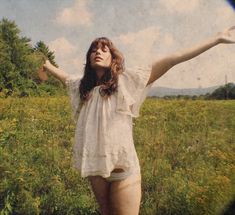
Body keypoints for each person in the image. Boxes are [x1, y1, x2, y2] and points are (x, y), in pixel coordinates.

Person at [41, 26, 235, 215]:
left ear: (113, 58)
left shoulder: (125, 81)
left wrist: (216, 39)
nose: (97, 52)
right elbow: (64, 77)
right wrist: (47, 66)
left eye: (103, 49)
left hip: (123, 171)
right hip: (96, 169)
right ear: (88, 59)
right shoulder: (82, 87)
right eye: (93, 50)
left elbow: (172, 59)